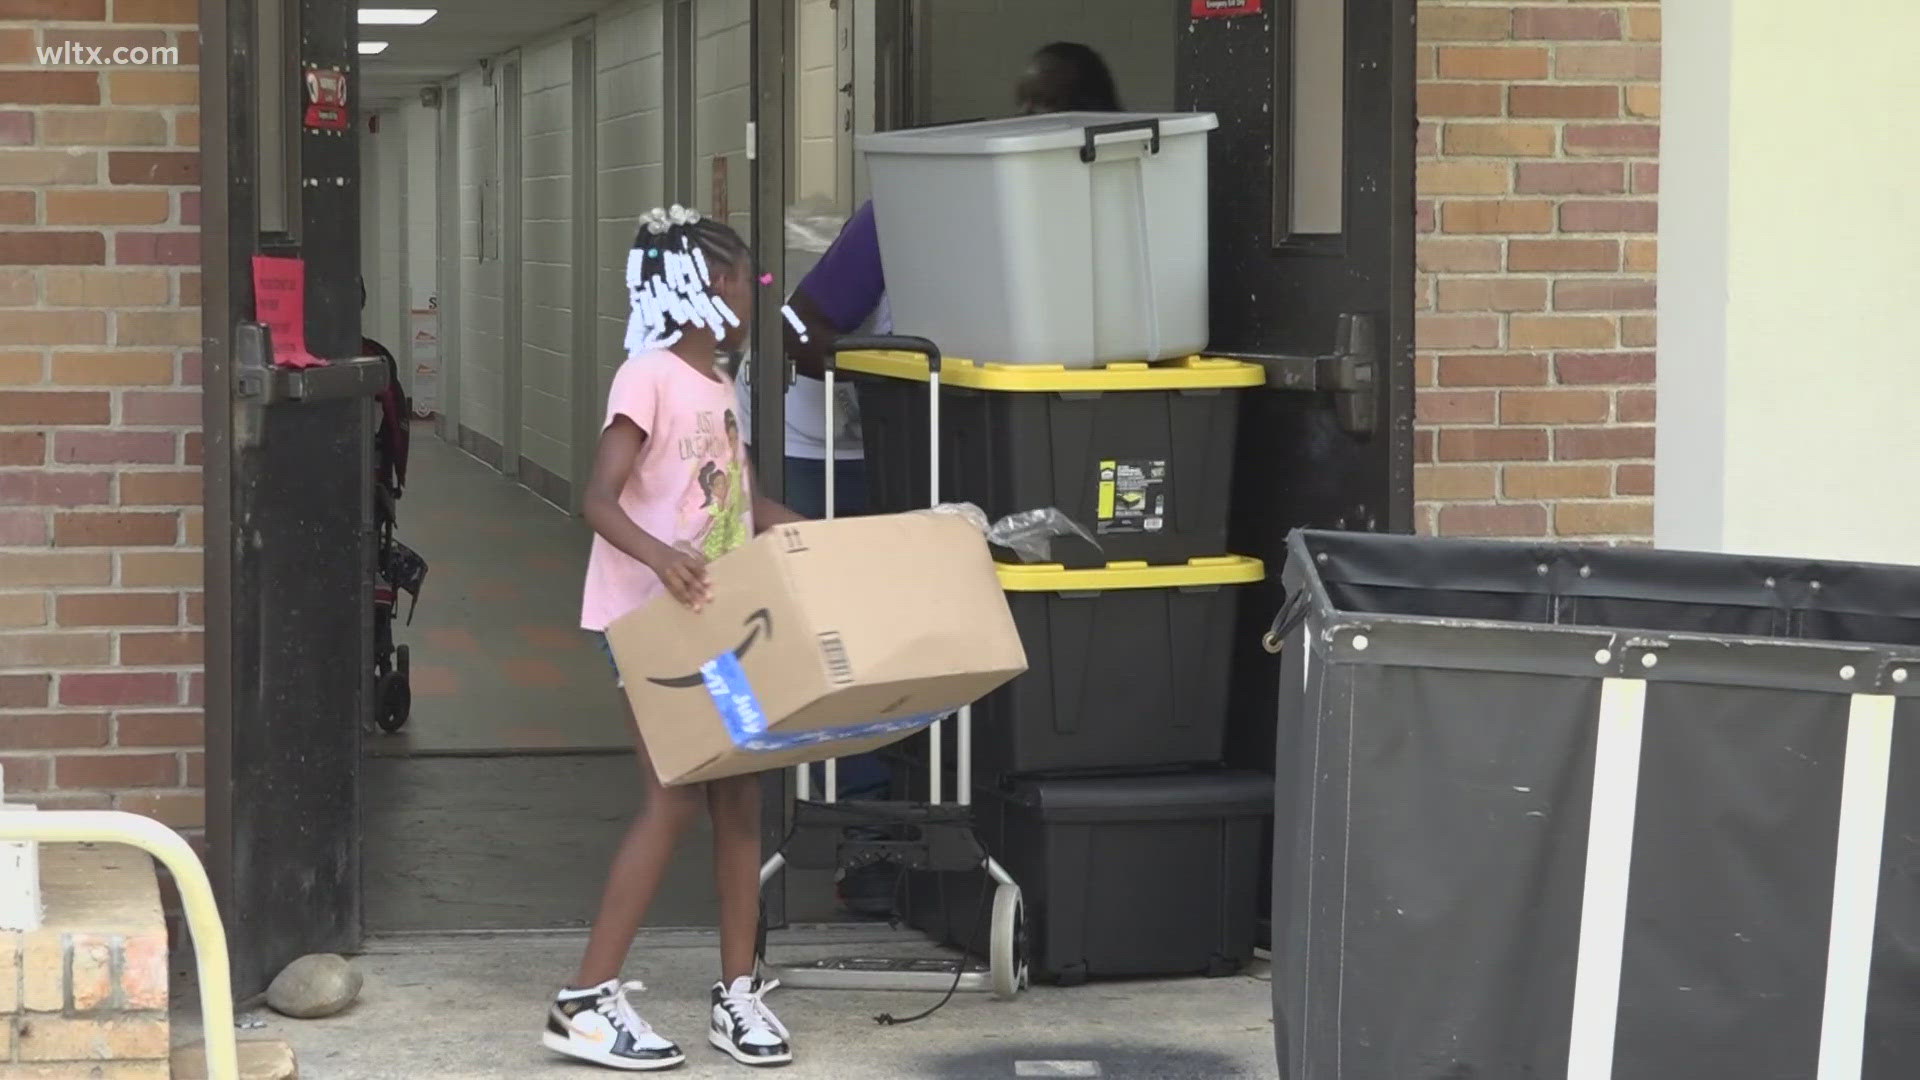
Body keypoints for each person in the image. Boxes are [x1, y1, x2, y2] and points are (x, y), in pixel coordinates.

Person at [737, 41, 1126, 917]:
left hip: (949, 449)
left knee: (936, 635)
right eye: (1026, 108)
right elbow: (801, 321)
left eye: (1055, 110)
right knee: (858, 636)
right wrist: (884, 373)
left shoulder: (1094, 218)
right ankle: (866, 835)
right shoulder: (910, 209)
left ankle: (937, 823)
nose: (1034, 126)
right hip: (836, 446)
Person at [549, 205, 805, 1072]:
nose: (743, 292)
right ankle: (585, 1001)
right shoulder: (646, 376)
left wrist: (821, 536)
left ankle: (738, 996)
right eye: (730, 278)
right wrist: (662, 560)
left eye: (744, 277)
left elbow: (740, 506)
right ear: (687, 290)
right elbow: (597, 497)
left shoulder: (721, 385)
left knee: (741, 802)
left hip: (717, 622)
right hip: (648, 625)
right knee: (674, 797)